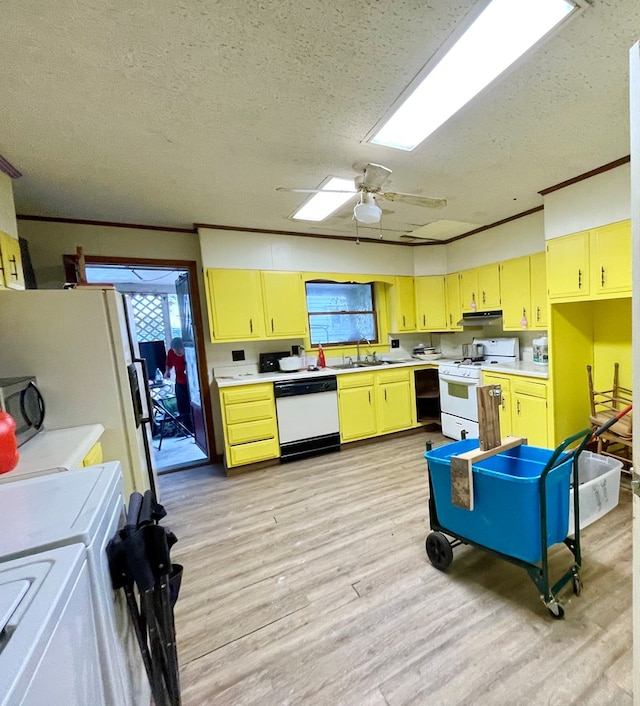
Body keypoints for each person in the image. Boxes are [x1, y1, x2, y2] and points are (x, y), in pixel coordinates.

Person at [165, 337, 192, 432]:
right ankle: (186, 428)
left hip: (191, 383)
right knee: (181, 405)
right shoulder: (171, 353)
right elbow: (169, 363)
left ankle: (194, 427)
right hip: (179, 382)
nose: (178, 353)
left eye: (179, 351)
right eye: (175, 351)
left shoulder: (189, 353)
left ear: (183, 348)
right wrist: (167, 372)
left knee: (191, 404)